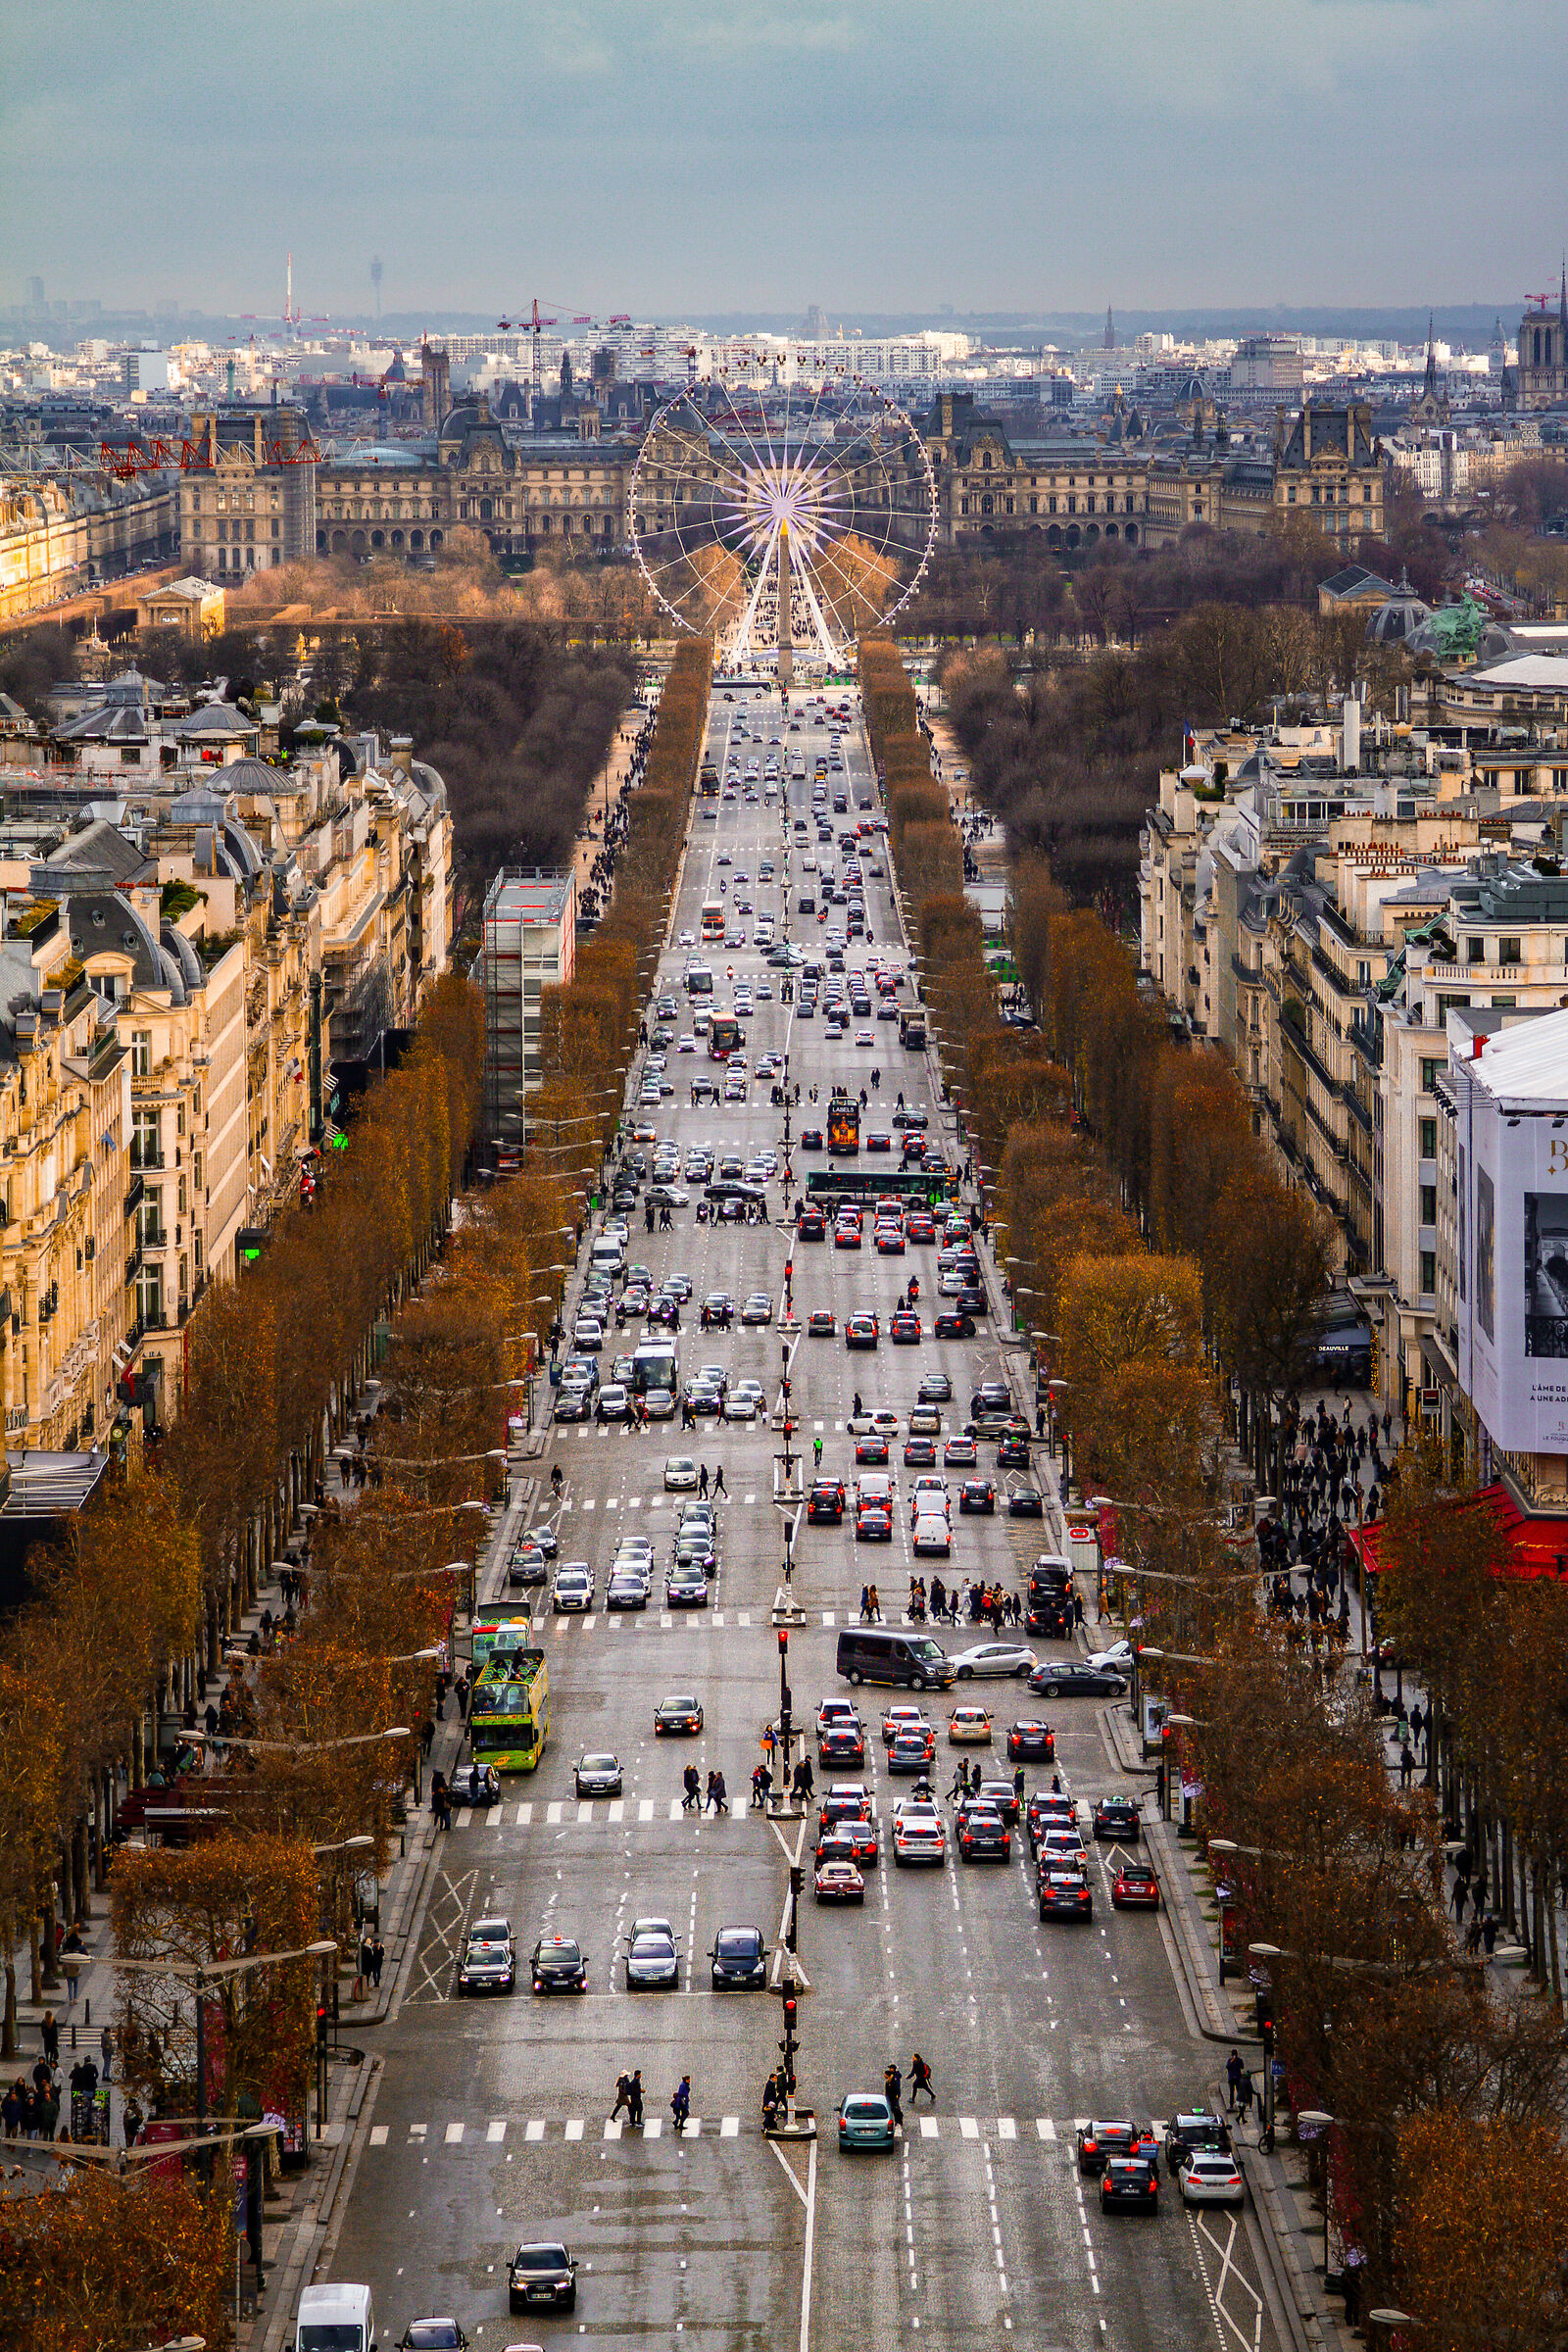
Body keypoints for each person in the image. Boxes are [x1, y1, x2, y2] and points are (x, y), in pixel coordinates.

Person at [884, 2062, 904, 2130]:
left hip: (894, 2097)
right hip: (891, 2097)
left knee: (895, 2108)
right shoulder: (890, 2079)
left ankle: (899, 2119)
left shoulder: (894, 2079)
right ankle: (897, 2119)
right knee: (893, 2108)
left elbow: (896, 2088)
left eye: (890, 2068)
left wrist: (896, 2095)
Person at [1225, 2048, 1244, 2113]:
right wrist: (1232, 2061)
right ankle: (1231, 2104)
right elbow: (1227, 2066)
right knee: (1231, 2092)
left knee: (1239, 2091)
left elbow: (1242, 2066)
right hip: (1232, 2078)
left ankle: (1239, 2104)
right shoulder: (1230, 2060)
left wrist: (1237, 2061)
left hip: (1237, 2078)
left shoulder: (1239, 2060)